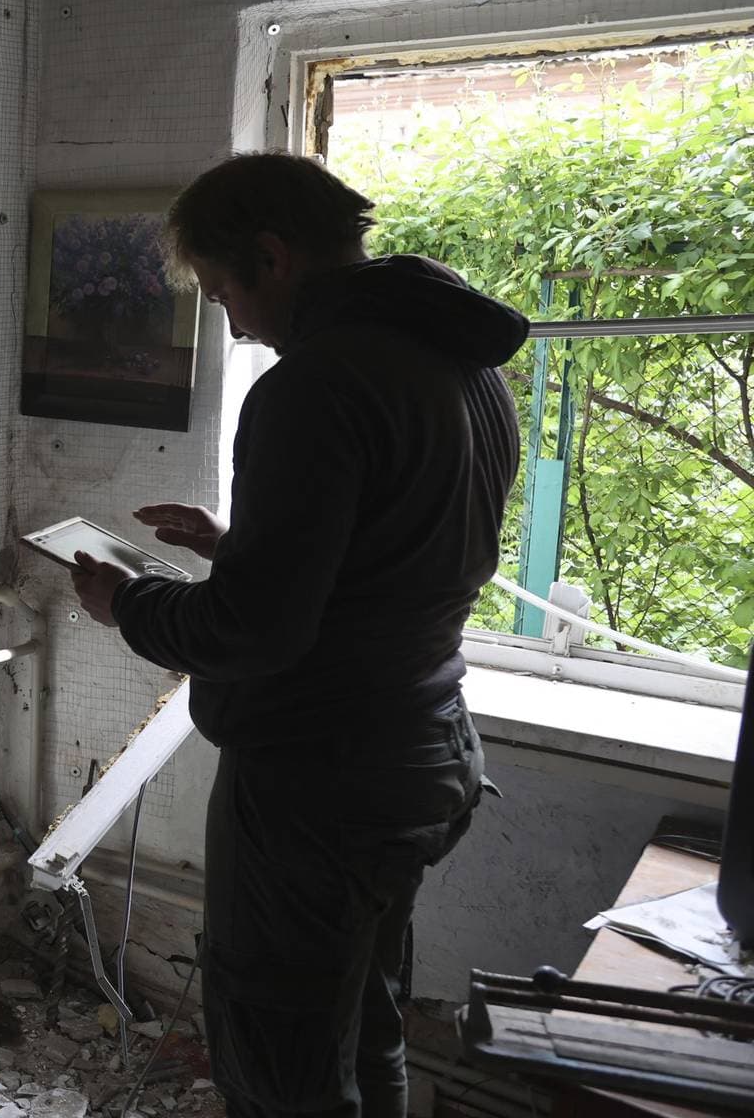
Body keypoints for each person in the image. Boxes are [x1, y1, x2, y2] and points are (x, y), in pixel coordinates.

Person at [69, 153, 527, 1118]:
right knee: (366, 1021)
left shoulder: (313, 385)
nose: (231, 321)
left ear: (273, 258)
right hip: (423, 749)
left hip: (318, 784)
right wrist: (243, 544)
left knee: (282, 1058)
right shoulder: (467, 368)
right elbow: (399, 555)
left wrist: (128, 606)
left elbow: (252, 632)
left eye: (224, 290)